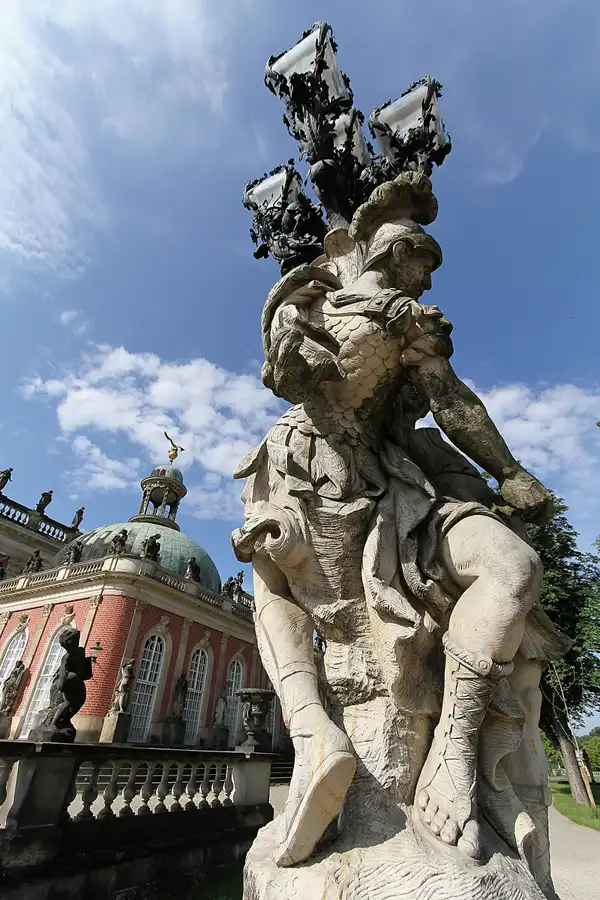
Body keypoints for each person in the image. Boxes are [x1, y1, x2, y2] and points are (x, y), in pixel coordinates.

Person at [232, 173, 562, 872]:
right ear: (393, 251)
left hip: (389, 481)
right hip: (308, 467)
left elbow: (453, 403)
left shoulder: (407, 321)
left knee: (510, 569)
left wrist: (508, 472)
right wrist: (296, 337)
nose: (430, 274)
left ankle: (453, 747)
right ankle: (313, 731)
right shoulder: (314, 297)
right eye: (423, 258)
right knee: (279, 583)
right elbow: (287, 375)